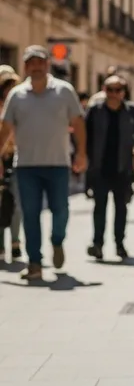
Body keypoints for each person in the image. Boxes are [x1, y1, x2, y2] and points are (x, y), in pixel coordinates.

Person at [0, 45, 86, 280]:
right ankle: (35, 263)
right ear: (25, 67)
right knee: (30, 214)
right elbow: (6, 128)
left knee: (61, 211)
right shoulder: (16, 95)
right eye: (31, 63)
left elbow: (77, 123)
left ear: (48, 65)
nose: (36, 67)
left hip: (58, 164)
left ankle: (57, 241)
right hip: (26, 166)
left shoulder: (64, 91)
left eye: (40, 62)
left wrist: (81, 153)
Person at [85, 75, 134, 260]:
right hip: (100, 168)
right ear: (104, 90)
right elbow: (85, 137)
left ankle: (119, 244)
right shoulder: (95, 111)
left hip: (123, 169)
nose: (113, 94)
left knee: (121, 209)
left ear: (123, 92)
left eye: (117, 90)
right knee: (99, 209)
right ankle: (98, 244)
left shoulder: (131, 112)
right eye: (110, 89)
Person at [0, 73, 22, 261]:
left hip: (18, 158)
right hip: (1, 158)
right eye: (7, 85)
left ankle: (15, 243)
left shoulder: (20, 106)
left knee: (17, 204)